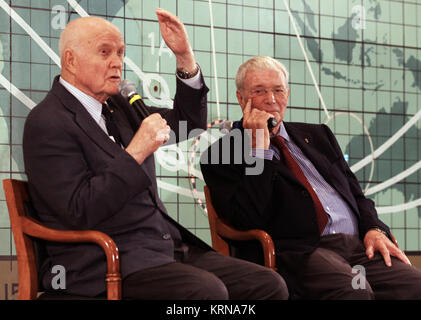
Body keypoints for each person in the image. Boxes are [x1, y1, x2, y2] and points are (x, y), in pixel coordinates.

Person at [22, 12, 288, 300]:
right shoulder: (47, 122)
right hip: (103, 262)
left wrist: (184, 57)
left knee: (268, 285)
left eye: (121, 53)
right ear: (71, 60)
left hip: (162, 248)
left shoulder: (119, 106)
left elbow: (188, 123)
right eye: (105, 52)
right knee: (208, 293)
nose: (117, 62)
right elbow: (78, 210)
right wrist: (137, 150)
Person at [200, 55, 421, 299]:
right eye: (259, 91)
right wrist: (258, 151)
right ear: (241, 98)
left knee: (414, 284)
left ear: (287, 94)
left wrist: (374, 228)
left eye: (278, 90)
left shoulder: (318, 136)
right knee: (354, 290)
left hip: (356, 246)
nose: (271, 99)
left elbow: (357, 196)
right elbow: (247, 217)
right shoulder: (221, 154)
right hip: (299, 252)